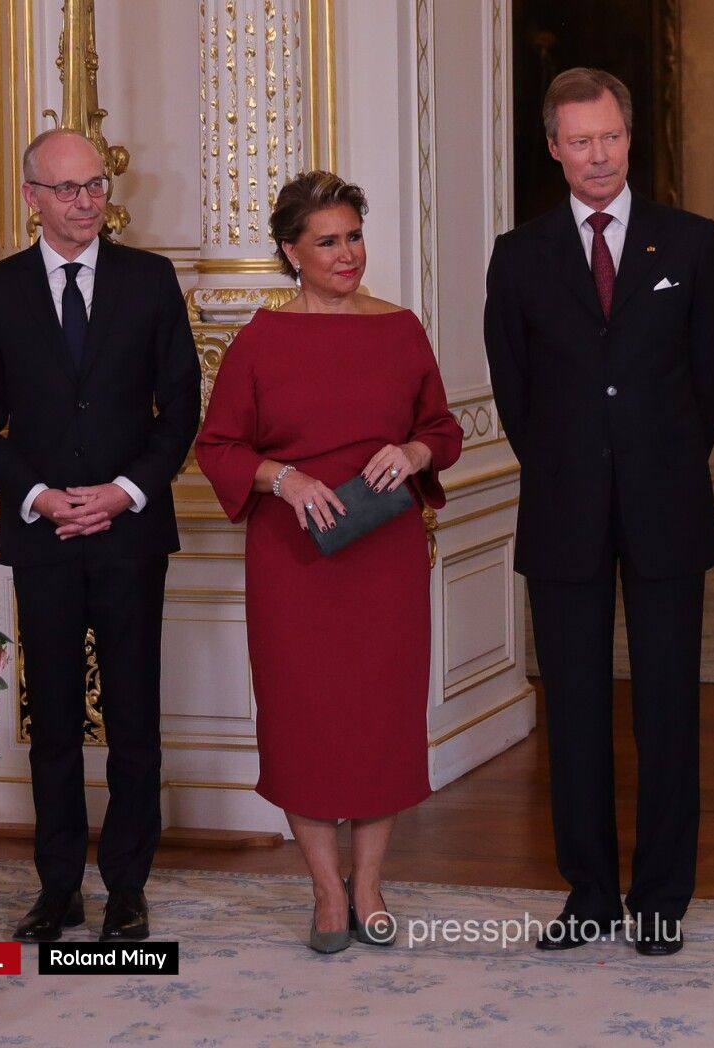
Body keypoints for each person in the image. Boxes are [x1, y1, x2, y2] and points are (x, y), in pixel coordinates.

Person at [484, 67, 714, 956]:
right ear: (554, 147)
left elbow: (710, 380)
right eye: (580, 140)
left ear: (631, 139)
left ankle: (661, 898)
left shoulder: (692, 243)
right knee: (575, 714)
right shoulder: (519, 255)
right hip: (564, 511)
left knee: (669, 710)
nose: (599, 155)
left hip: (668, 507)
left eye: (612, 137)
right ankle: (588, 893)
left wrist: (653, 465)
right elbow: (515, 391)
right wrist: (574, 469)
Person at [195, 171, 462, 954]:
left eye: (354, 237)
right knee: (303, 723)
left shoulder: (401, 330)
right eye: (328, 242)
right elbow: (219, 446)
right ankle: (324, 891)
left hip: (385, 559)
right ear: (291, 252)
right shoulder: (260, 340)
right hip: (294, 563)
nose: (348, 255)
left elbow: (442, 430)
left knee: (380, 721)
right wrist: (284, 478)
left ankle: (369, 885)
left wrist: (413, 452)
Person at [0, 128, 201, 943]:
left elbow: (181, 408)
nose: (86, 201)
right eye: (67, 189)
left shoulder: (150, 279)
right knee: (53, 723)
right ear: (32, 197)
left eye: (94, 184)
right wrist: (39, 498)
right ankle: (57, 888)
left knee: (134, 720)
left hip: (131, 534)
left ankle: (127, 889)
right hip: (45, 539)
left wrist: (125, 493)